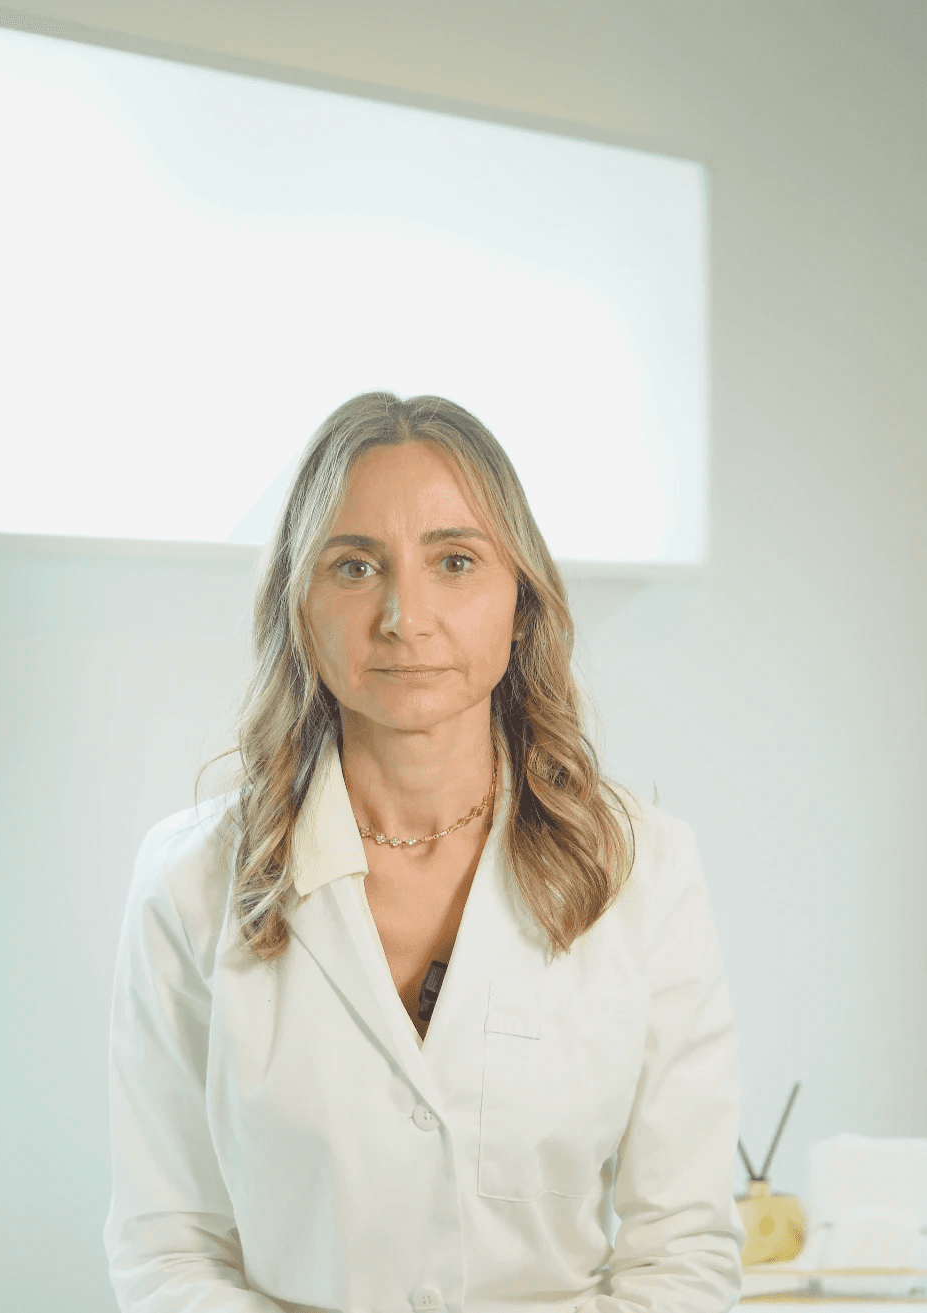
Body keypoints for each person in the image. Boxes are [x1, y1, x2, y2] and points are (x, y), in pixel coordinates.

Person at [103, 392, 747, 1312]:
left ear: (521, 600)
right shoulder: (189, 881)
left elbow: (682, 1254)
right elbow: (167, 1251)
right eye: (356, 565)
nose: (406, 615)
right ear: (300, 603)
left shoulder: (646, 869)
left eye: (454, 560)